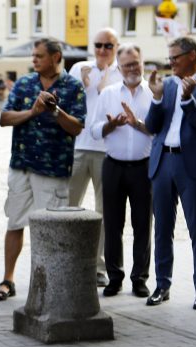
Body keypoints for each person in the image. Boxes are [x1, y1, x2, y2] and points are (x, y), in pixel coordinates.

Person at [0, 37, 85, 302]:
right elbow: (4, 118)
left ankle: (46, 284)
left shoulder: (72, 86)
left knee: (49, 229)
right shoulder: (24, 83)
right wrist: (33, 112)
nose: (34, 60)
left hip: (53, 170)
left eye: (39, 56)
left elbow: (77, 127)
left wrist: (56, 111)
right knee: (15, 222)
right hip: (22, 165)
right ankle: (7, 280)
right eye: (33, 56)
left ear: (56, 57)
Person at [145, 37, 196, 309]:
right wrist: (156, 98)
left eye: (175, 57)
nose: (171, 62)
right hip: (162, 162)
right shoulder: (165, 85)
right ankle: (162, 285)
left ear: (191, 56)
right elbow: (152, 126)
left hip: (192, 166)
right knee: (162, 229)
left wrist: (189, 99)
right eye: (170, 58)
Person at [90, 44, 154, 298]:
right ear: (119, 67)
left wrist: (137, 124)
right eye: (127, 65)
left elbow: (159, 131)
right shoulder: (107, 94)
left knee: (142, 224)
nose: (132, 69)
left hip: (143, 166)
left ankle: (140, 278)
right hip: (113, 165)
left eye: (136, 63)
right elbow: (93, 130)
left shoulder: (153, 93)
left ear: (142, 62)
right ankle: (115, 277)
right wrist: (110, 125)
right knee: (113, 224)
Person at [69, 28, 122, 287]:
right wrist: (83, 86)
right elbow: (67, 101)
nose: (101, 51)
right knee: (68, 207)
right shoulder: (80, 68)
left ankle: (98, 267)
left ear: (116, 47)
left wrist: (103, 88)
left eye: (107, 46)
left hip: (107, 150)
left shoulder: (121, 72)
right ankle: (67, 261)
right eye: (98, 45)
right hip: (79, 146)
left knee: (104, 212)